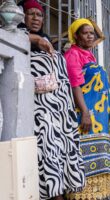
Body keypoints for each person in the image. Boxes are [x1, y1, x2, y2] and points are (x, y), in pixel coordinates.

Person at [21, 0, 85, 199]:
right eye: (30, 14)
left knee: (63, 149)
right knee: (46, 152)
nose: (35, 18)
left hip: (60, 110)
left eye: (39, 15)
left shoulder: (46, 39)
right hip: (40, 111)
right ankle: (54, 194)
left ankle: (65, 191)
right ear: (22, 16)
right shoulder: (17, 36)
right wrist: (32, 39)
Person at [64, 18, 110, 199]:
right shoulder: (73, 54)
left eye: (92, 33)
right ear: (76, 36)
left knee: (100, 157)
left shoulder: (88, 54)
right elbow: (75, 85)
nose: (90, 36)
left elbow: (101, 37)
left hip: (101, 118)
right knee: (83, 157)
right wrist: (85, 113)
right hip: (86, 115)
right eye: (85, 33)